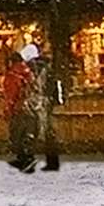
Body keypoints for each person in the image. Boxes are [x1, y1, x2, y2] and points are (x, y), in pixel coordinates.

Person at [5, 43, 62, 172]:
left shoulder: (30, 68)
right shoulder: (47, 66)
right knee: (47, 131)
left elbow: (28, 85)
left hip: (33, 102)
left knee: (28, 131)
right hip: (46, 101)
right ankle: (52, 161)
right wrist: (54, 99)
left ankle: (27, 159)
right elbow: (53, 83)